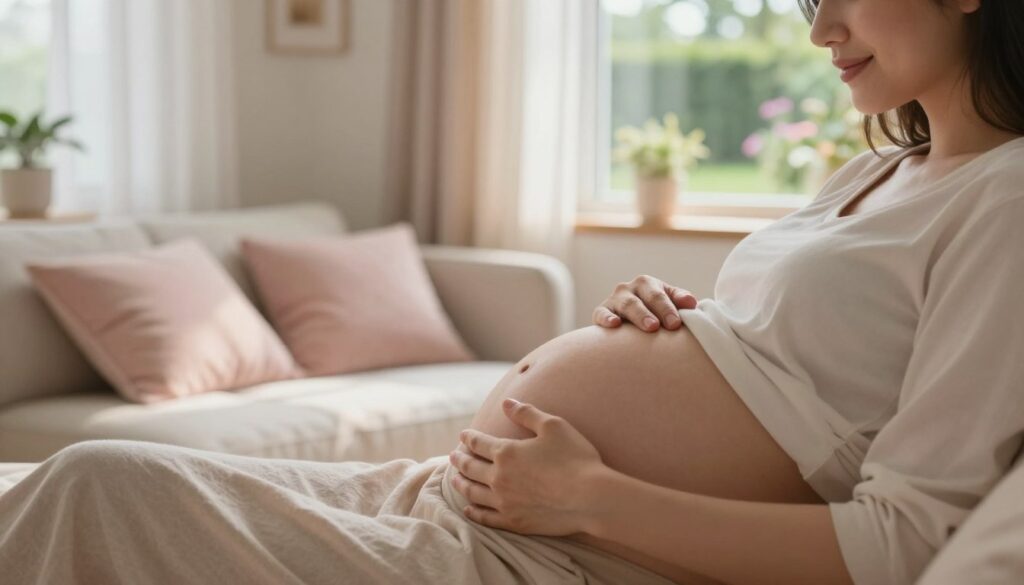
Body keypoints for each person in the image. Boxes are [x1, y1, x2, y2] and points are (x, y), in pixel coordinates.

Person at [2, 1, 1022, 584]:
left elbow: (910, 542)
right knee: (90, 478)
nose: (819, 29)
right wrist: (692, 325)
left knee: (101, 491)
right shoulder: (885, 168)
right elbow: (812, 384)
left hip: (570, 550)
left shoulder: (1007, 196)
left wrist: (591, 496)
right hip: (476, 501)